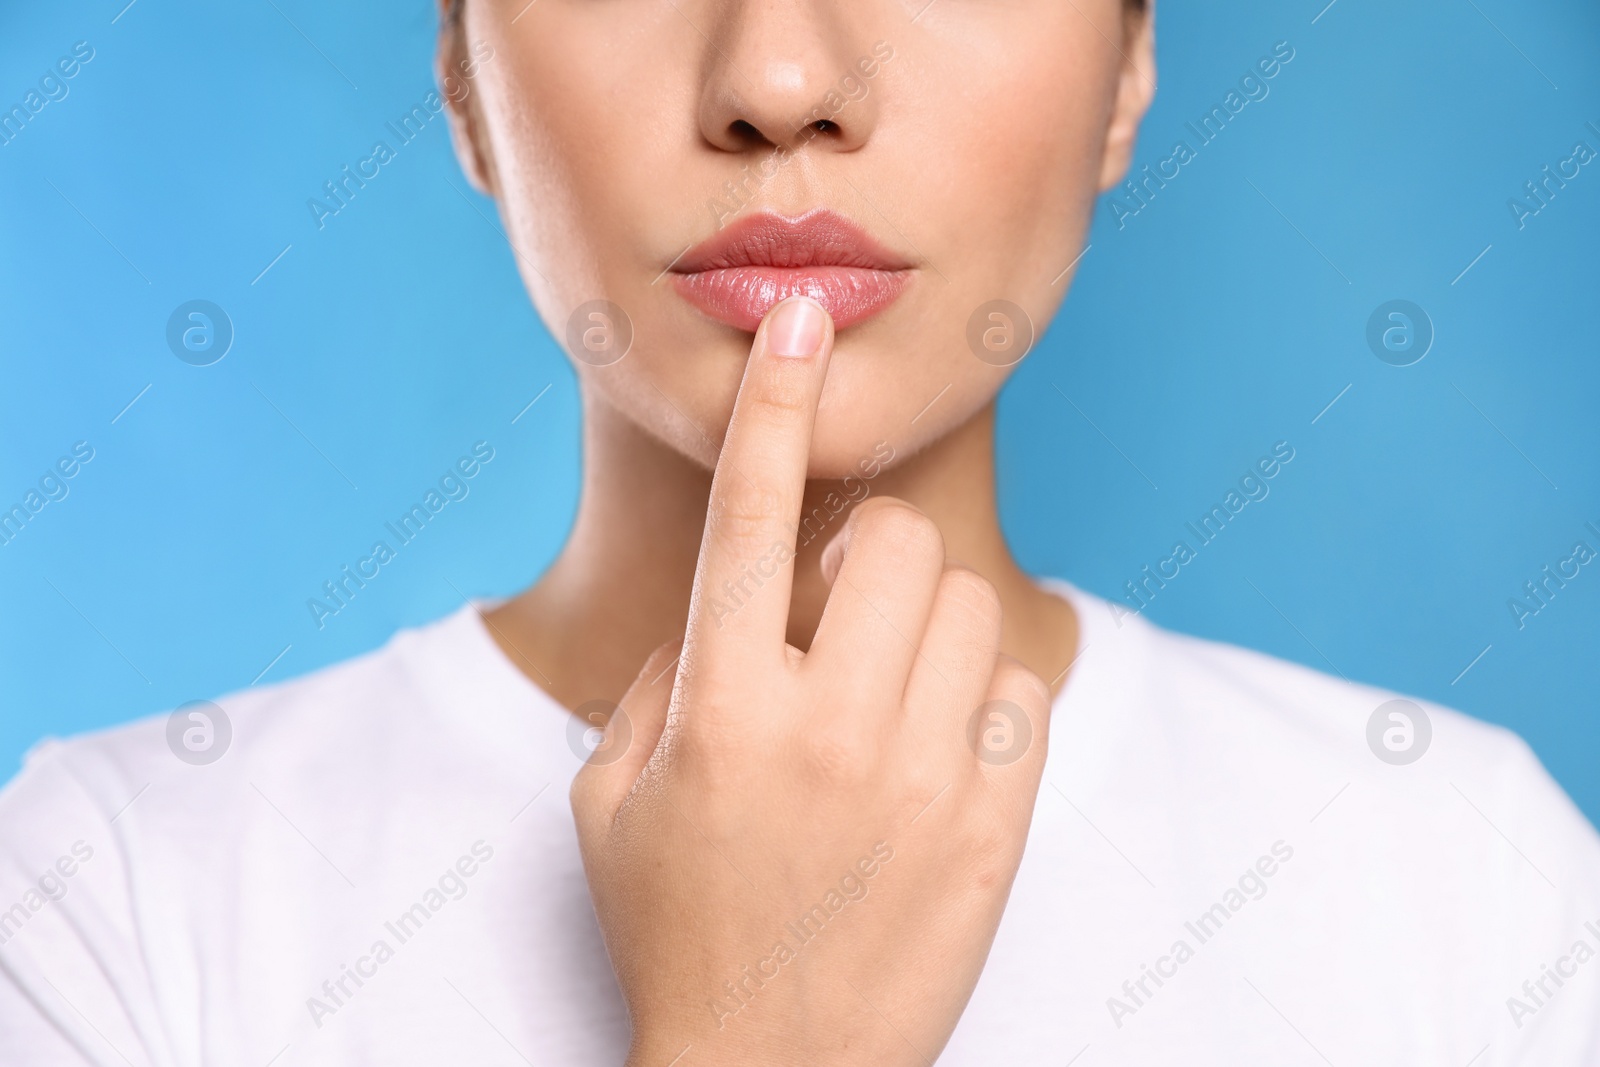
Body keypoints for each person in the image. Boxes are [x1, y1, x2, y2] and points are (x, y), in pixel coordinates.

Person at [2, 1, 1597, 1064]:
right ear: (461, 80)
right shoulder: (112, 897)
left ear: (1126, 69)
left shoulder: (1468, 884)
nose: (778, 83)